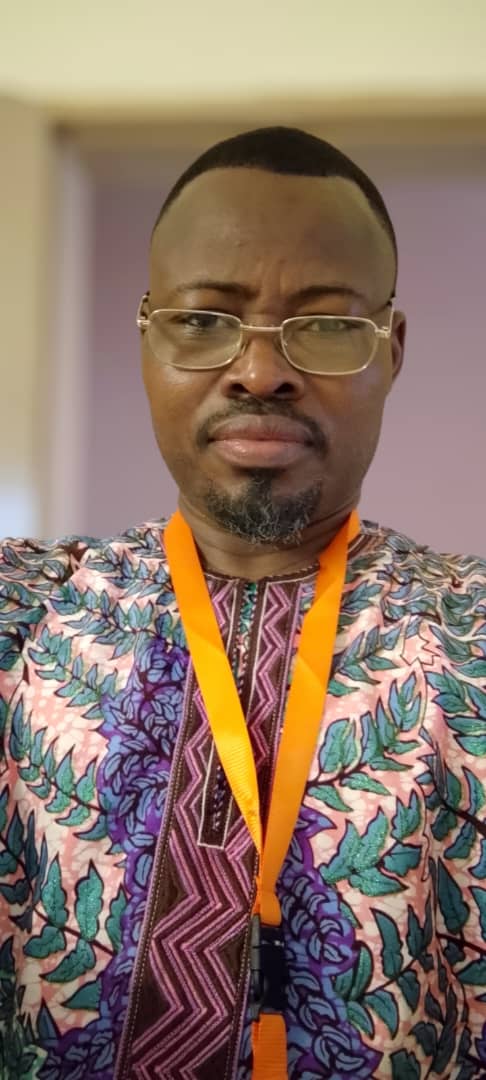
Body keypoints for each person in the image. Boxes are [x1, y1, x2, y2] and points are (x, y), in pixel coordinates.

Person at [0, 125, 485, 1080]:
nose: (261, 372)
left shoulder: (473, 633)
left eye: (327, 325)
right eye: (204, 319)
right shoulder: (21, 615)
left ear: (390, 350)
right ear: (147, 337)